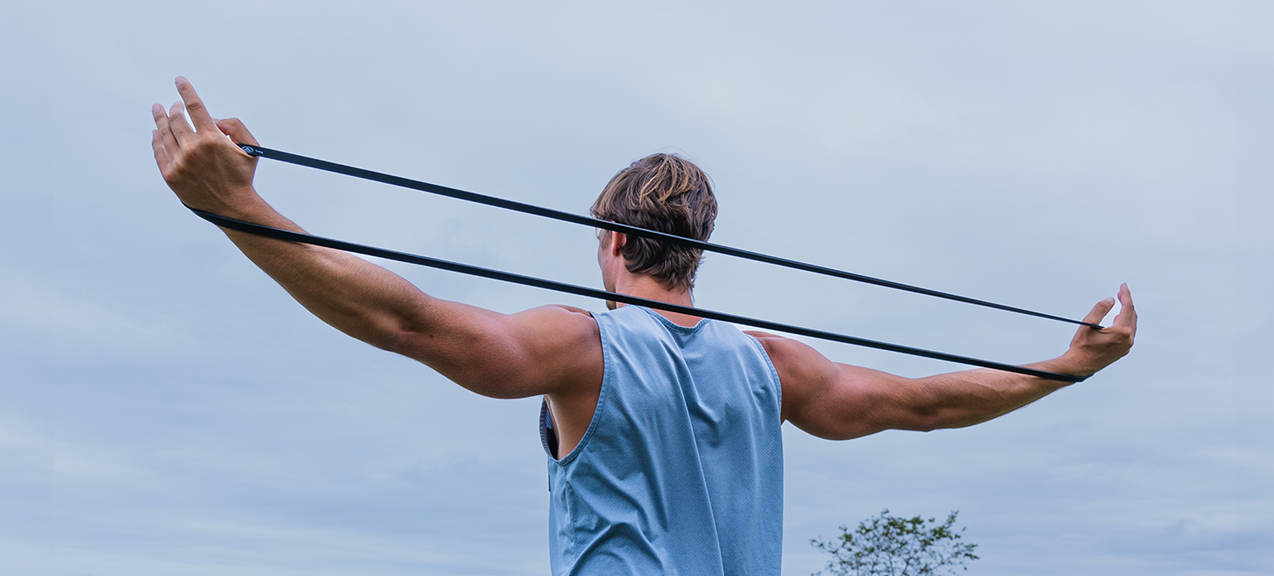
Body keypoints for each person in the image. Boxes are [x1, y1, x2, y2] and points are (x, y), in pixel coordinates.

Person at [151, 77, 1136, 575]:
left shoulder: (577, 346)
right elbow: (920, 407)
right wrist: (1067, 366)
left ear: (605, 242)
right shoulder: (768, 364)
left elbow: (399, 320)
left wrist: (233, 210)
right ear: (694, 249)